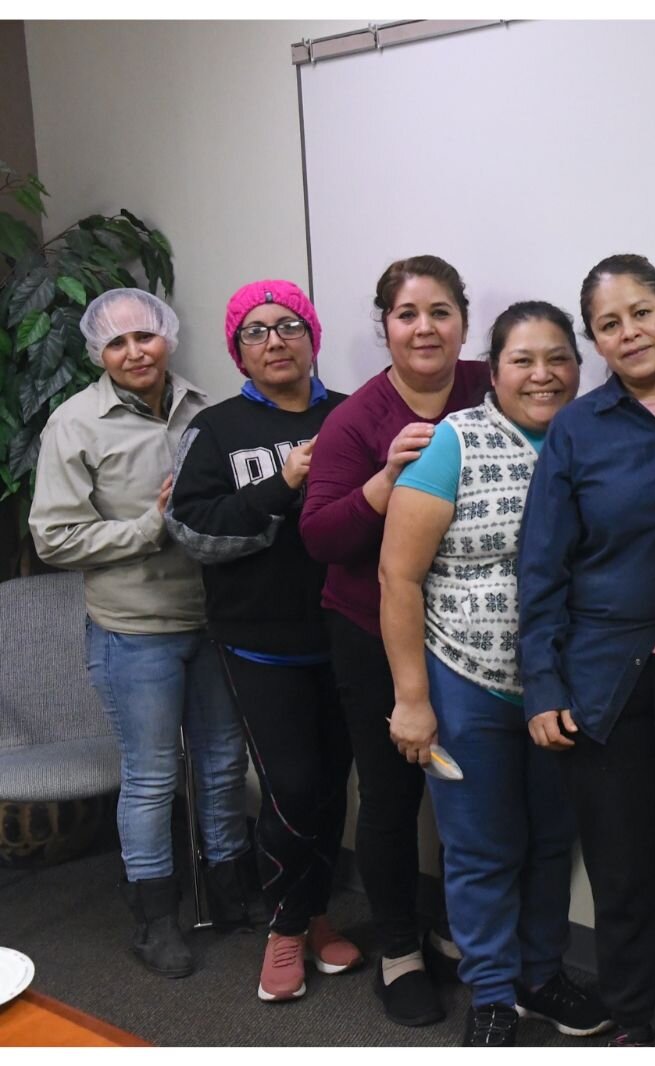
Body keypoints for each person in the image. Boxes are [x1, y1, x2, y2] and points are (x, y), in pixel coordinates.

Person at [380, 300, 607, 1047]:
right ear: (494, 369)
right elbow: (398, 577)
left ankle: (541, 976)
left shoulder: (593, 437)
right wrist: (412, 699)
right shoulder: (457, 442)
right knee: (481, 846)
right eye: (523, 360)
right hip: (463, 677)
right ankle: (492, 994)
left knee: (550, 839)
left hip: (564, 683)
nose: (543, 375)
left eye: (559, 359)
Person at [520, 255, 655, 1047]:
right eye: (609, 324)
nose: (629, 332)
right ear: (596, 342)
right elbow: (541, 566)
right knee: (625, 869)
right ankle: (633, 1023)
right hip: (608, 680)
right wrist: (543, 684)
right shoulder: (578, 428)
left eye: (641, 312)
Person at [29, 288, 251, 978]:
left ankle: (230, 890)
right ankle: (154, 918)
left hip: (213, 620)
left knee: (220, 764)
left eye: (145, 337)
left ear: (168, 339)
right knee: (153, 777)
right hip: (134, 631)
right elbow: (53, 539)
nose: (135, 353)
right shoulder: (74, 424)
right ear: (99, 353)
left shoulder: (206, 408)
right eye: (117, 343)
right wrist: (153, 525)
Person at [300, 255, 484, 1026]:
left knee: (464, 791)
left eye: (440, 312)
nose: (425, 328)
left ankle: (449, 928)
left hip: (471, 630)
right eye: (408, 314)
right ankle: (401, 948)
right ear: (385, 327)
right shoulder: (356, 419)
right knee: (392, 791)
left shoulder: (488, 386)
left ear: (463, 322)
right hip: (371, 628)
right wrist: (381, 483)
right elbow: (317, 535)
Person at [165, 279, 362, 1003]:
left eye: (288, 326)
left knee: (331, 786)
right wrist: (280, 483)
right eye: (255, 331)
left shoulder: (351, 416)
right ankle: (282, 931)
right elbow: (191, 528)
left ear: (311, 336)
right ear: (238, 352)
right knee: (293, 788)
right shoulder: (215, 430)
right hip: (259, 643)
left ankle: (313, 916)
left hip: (346, 635)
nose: (274, 341)